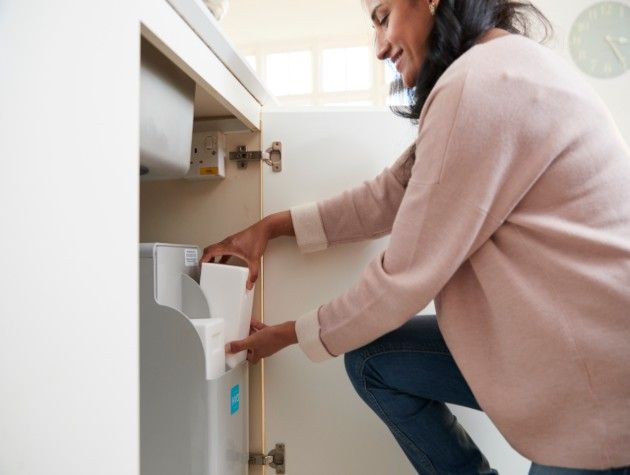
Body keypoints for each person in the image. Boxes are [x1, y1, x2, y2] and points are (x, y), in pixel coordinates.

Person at [201, 0, 630, 473]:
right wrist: (267, 229)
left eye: (383, 17)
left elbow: (400, 281)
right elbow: (388, 196)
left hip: (595, 389)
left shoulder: (479, 85)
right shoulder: (493, 70)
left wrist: (282, 336)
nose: (380, 48)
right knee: (375, 359)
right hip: (569, 354)